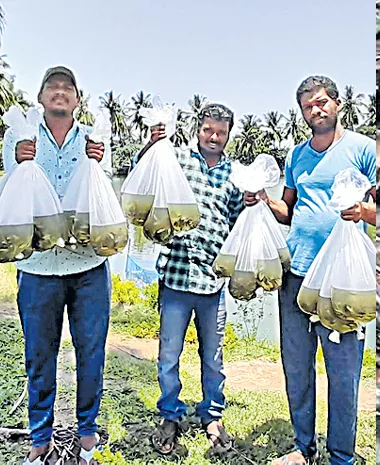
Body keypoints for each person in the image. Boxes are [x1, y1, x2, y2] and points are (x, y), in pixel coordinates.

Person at [245, 76, 376, 465]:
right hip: (297, 273)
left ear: (337, 104)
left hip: (342, 280)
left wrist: (364, 211)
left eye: (321, 102)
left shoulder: (363, 149)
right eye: (307, 106)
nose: (315, 110)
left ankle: (341, 456)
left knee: (342, 372)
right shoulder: (297, 157)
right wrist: (264, 200)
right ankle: (303, 448)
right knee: (297, 366)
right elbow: (289, 209)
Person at [2, 66, 112, 465]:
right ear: (42, 98)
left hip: (89, 269)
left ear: (78, 101)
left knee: (91, 354)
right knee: (39, 356)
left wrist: (100, 162)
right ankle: (39, 442)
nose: (61, 93)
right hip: (38, 268)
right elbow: (10, 195)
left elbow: (104, 195)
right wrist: (16, 161)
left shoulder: (94, 141)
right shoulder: (19, 137)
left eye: (68, 88)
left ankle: (87, 441)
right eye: (53, 87)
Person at [132, 103, 244, 455]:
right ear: (198, 129)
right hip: (176, 274)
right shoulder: (176, 159)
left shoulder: (233, 176)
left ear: (228, 135)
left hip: (213, 280)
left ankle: (212, 414)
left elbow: (241, 222)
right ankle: (170, 413)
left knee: (213, 357)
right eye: (208, 129)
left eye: (221, 132)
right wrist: (153, 145)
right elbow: (145, 174)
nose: (214, 137)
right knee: (169, 355)